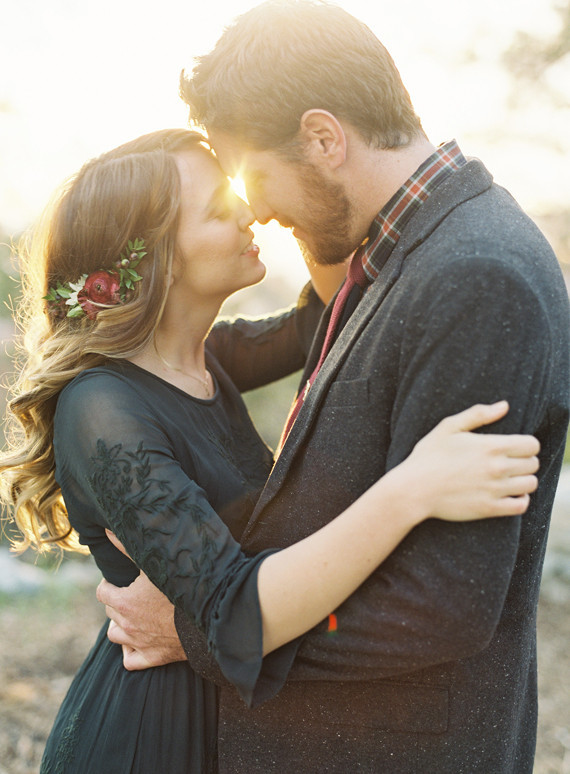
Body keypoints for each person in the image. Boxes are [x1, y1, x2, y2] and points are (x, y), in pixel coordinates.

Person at [97, 2, 570, 772]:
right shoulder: (403, 257)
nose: (257, 208)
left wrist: (205, 636)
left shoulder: (475, 276)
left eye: (256, 174)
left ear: (323, 138)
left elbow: (442, 607)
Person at [0, 128, 539, 773]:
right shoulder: (102, 408)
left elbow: (329, 318)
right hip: (155, 737)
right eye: (220, 210)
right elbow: (233, 612)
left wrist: (309, 193)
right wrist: (410, 489)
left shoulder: (206, 358)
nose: (248, 212)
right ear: (158, 261)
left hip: (239, 721)